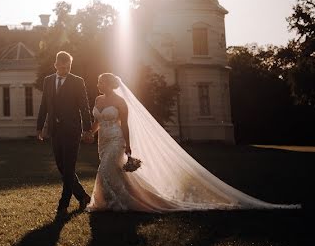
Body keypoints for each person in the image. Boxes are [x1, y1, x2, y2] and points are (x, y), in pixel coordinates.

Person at [85, 73, 300, 212]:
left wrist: (129, 146)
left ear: (110, 84)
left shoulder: (121, 102)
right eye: (98, 82)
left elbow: (125, 125)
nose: (98, 85)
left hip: (116, 139)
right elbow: (97, 121)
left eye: (101, 82)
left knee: (105, 169)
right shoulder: (98, 100)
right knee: (114, 171)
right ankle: (116, 200)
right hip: (102, 141)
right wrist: (90, 133)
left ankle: (114, 203)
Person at [37, 51, 94, 217]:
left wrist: (87, 129)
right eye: (62, 66)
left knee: (69, 167)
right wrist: (39, 127)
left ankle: (64, 203)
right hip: (54, 131)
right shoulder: (48, 81)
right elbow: (44, 105)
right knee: (62, 167)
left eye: (68, 66)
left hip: (72, 130)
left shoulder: (77, 81)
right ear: (55, 65)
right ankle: (83, 196)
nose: (65, 69)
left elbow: (84, 106)